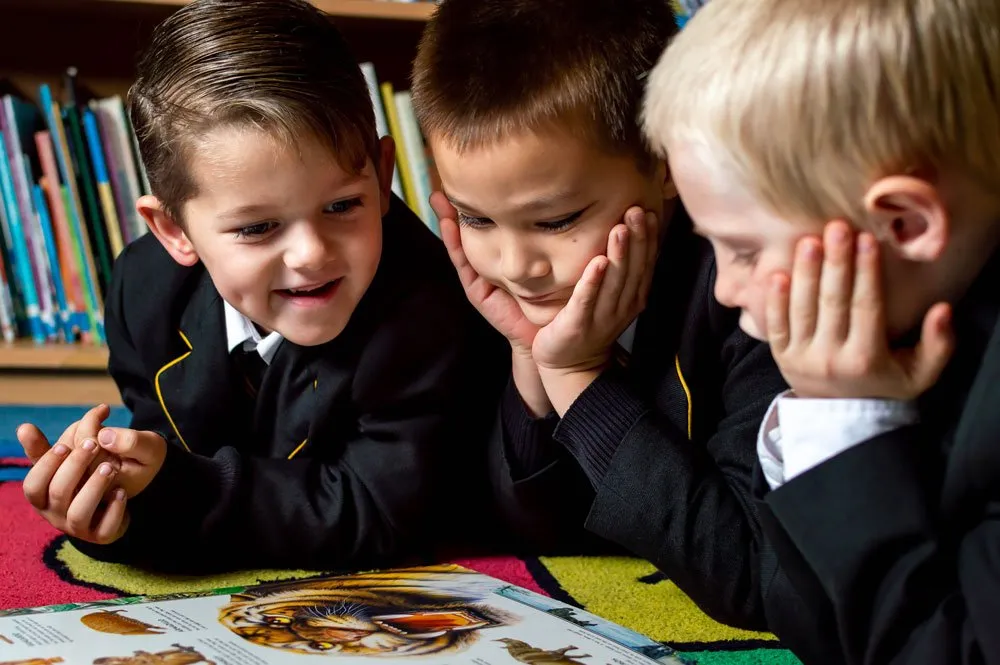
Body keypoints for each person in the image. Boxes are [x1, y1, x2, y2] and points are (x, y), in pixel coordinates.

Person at [17, 0, 508, 574]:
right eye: (257, 227)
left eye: (343, 205)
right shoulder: (142, 290)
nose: (312, 254)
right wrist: (118, 497)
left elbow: (378, 510)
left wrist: (179, 488)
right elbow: (171, 451)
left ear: (382, 172)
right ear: (174, 230)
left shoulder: (429, 305)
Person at [409, 0, 790, 629]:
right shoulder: (494, 289)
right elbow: (538, 537)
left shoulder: (751, 288)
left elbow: (750, 578)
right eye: (475, 218)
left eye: (557, 221)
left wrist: (579, 377)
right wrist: (533, 357)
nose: (515, 263)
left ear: (668, 160)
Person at [642, 0, 1000, 662]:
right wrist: (832, 410)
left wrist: (845, 429)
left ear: (906, 224)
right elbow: (806, 625)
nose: (722, 289)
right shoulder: (902, 318)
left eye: (744, 249)